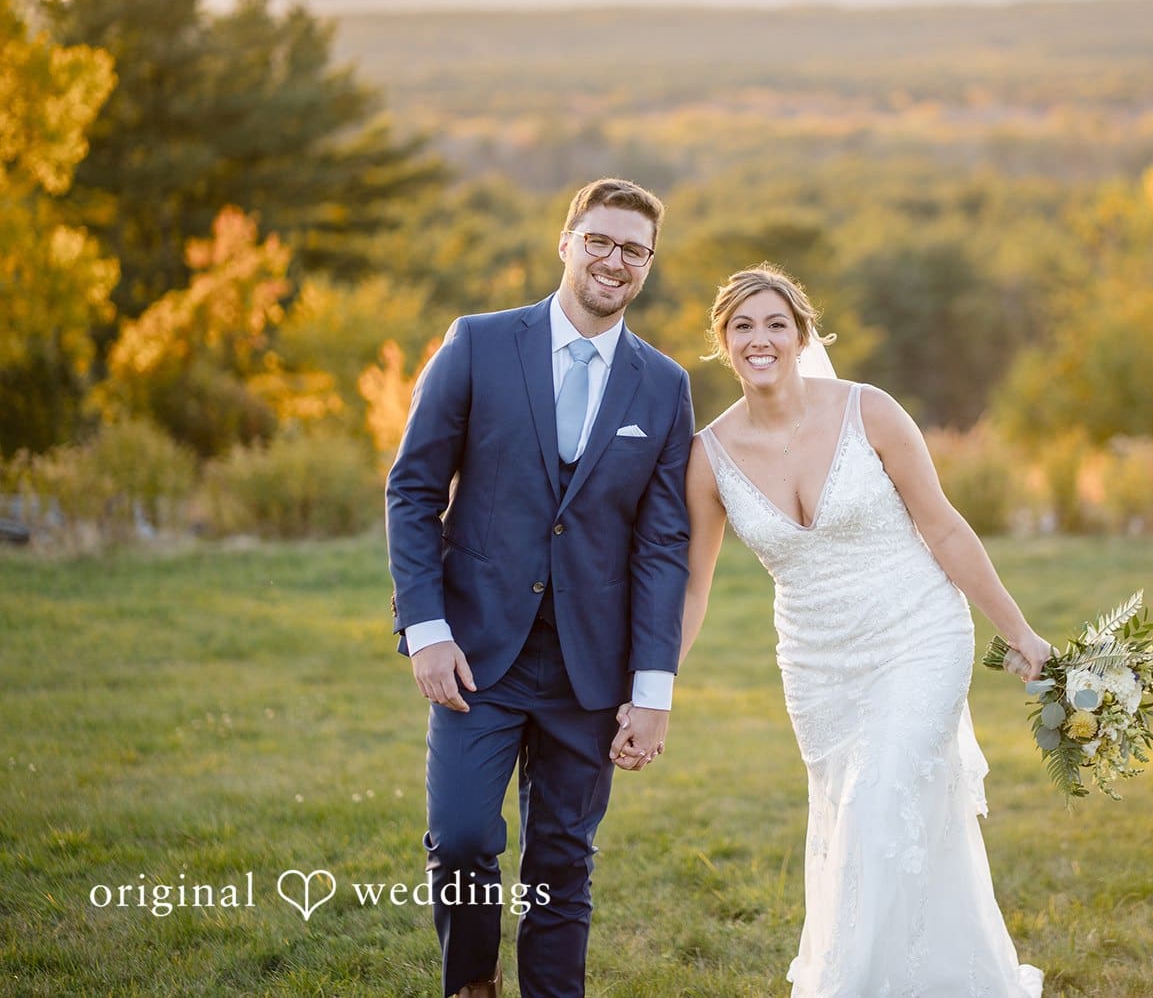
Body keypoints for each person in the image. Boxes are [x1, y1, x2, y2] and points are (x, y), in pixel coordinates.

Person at [643, 262, 1051, 995]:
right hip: (819, 666)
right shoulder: (708, 457)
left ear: (802, 336)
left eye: (775, 324)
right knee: (864, 822)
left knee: (879, 801)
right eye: (742, 326)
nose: (759, 339)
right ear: (722, 342)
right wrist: (653, 689)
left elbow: (946, 528)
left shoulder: (872, 412)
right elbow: (693, 587)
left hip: (919, 633)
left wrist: (1018, 630)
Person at [386, 178, 693, 998]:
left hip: (591, 668)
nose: (613, 259)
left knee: (562, 857)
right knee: (458, 837)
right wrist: (425, 628)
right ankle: (471, 985)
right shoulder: (479, 344)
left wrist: (653, 687)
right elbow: (413, 489)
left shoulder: (663, 386)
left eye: (633, 249)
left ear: (648, 266)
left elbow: (665, 544)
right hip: (476, 653)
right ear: (565, 242)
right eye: (599, 239)